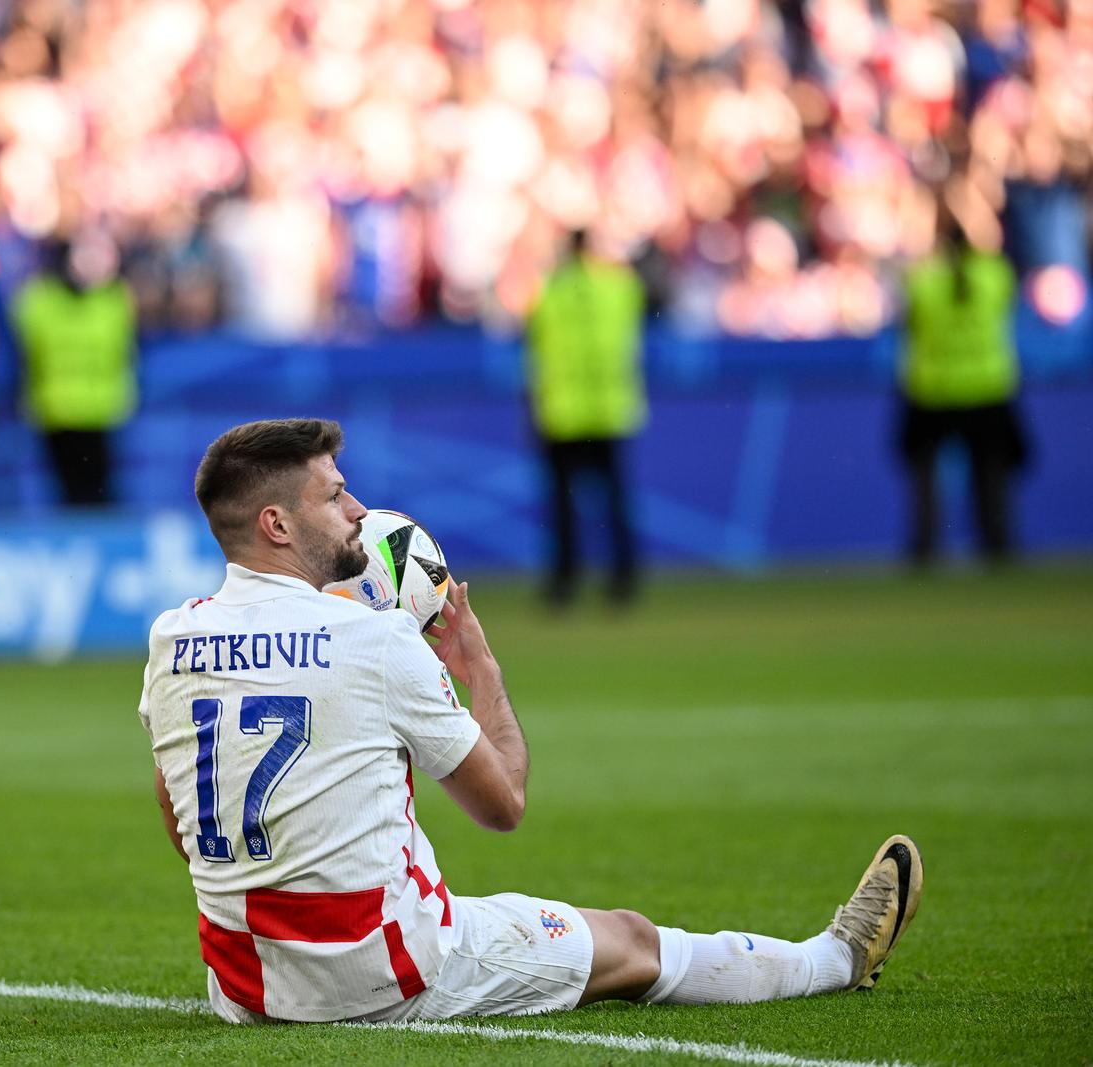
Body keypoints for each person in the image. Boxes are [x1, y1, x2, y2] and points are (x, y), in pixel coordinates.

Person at [139, 417, 923, 1024]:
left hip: (245, 987)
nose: (357, 510)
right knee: (632, 941)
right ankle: (835, 959)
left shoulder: (171, 638)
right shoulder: (375, 639)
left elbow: (185, 830)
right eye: (334, 494)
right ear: (277, 524)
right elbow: (503, 803)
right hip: (390, 973)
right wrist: (477, 663)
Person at [899, 191, 1028, 566]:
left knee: (924, 481)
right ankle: (998, 548)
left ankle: (924, 551)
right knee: (992, 478)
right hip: (988, 387)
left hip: (932, 390)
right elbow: (992, 247)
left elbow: (908, 322)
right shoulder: (995, 275)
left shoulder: (923, 281)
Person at [526, 231, 648, 606]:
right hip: (609, 411)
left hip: (562, 414)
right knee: (615, 502)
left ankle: (564, 583)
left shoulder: (550, 292)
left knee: (563, 507)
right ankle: (624, 581)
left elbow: (535, 345)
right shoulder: (619, 289)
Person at [10, 233, 138, 507]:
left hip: (95, 411)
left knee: (94, 491)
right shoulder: (42, 302)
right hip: (62, 412)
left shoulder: (111, 301)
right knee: (74, 492)